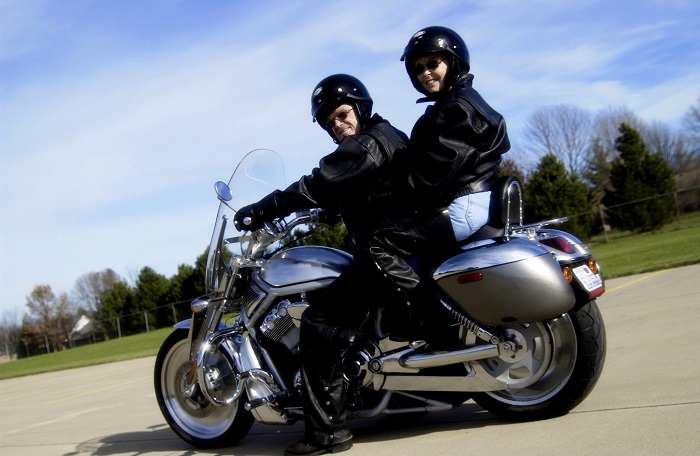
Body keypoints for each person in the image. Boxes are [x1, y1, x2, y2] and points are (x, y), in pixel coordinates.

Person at [233, 74, 409, 456]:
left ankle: (326, 433)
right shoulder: (386, 136)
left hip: (385, 255)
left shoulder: (366, 144)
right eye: (329, 121)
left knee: (318, 321)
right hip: (398, 247)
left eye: (343, 114)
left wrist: (262, 209)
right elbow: (362, 189)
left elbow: (319, 182)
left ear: (361, 108)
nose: (337, 124)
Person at [356, 25, 511, 329]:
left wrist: (382, 198)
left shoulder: (456, 109)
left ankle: (431, 316)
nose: (425, 73)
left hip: (463, 206)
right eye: (418, 68)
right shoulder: (459, 102)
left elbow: (431, 178)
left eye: (432, 64)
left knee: (374, 239)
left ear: (453, 62)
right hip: (474, 202)